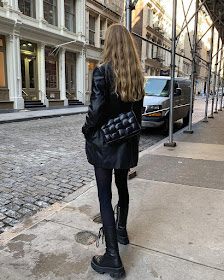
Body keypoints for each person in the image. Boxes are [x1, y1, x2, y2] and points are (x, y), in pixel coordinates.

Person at [82, 23, 145, 278]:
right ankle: (121, 231)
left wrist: (87, 130)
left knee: (104, 196)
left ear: (109, 44)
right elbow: (137, 116)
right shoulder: (137, 76)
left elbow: (95, 112)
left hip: (105, 145)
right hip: (125, 144)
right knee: (123, 187)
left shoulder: (102, 73)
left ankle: (113, 258)